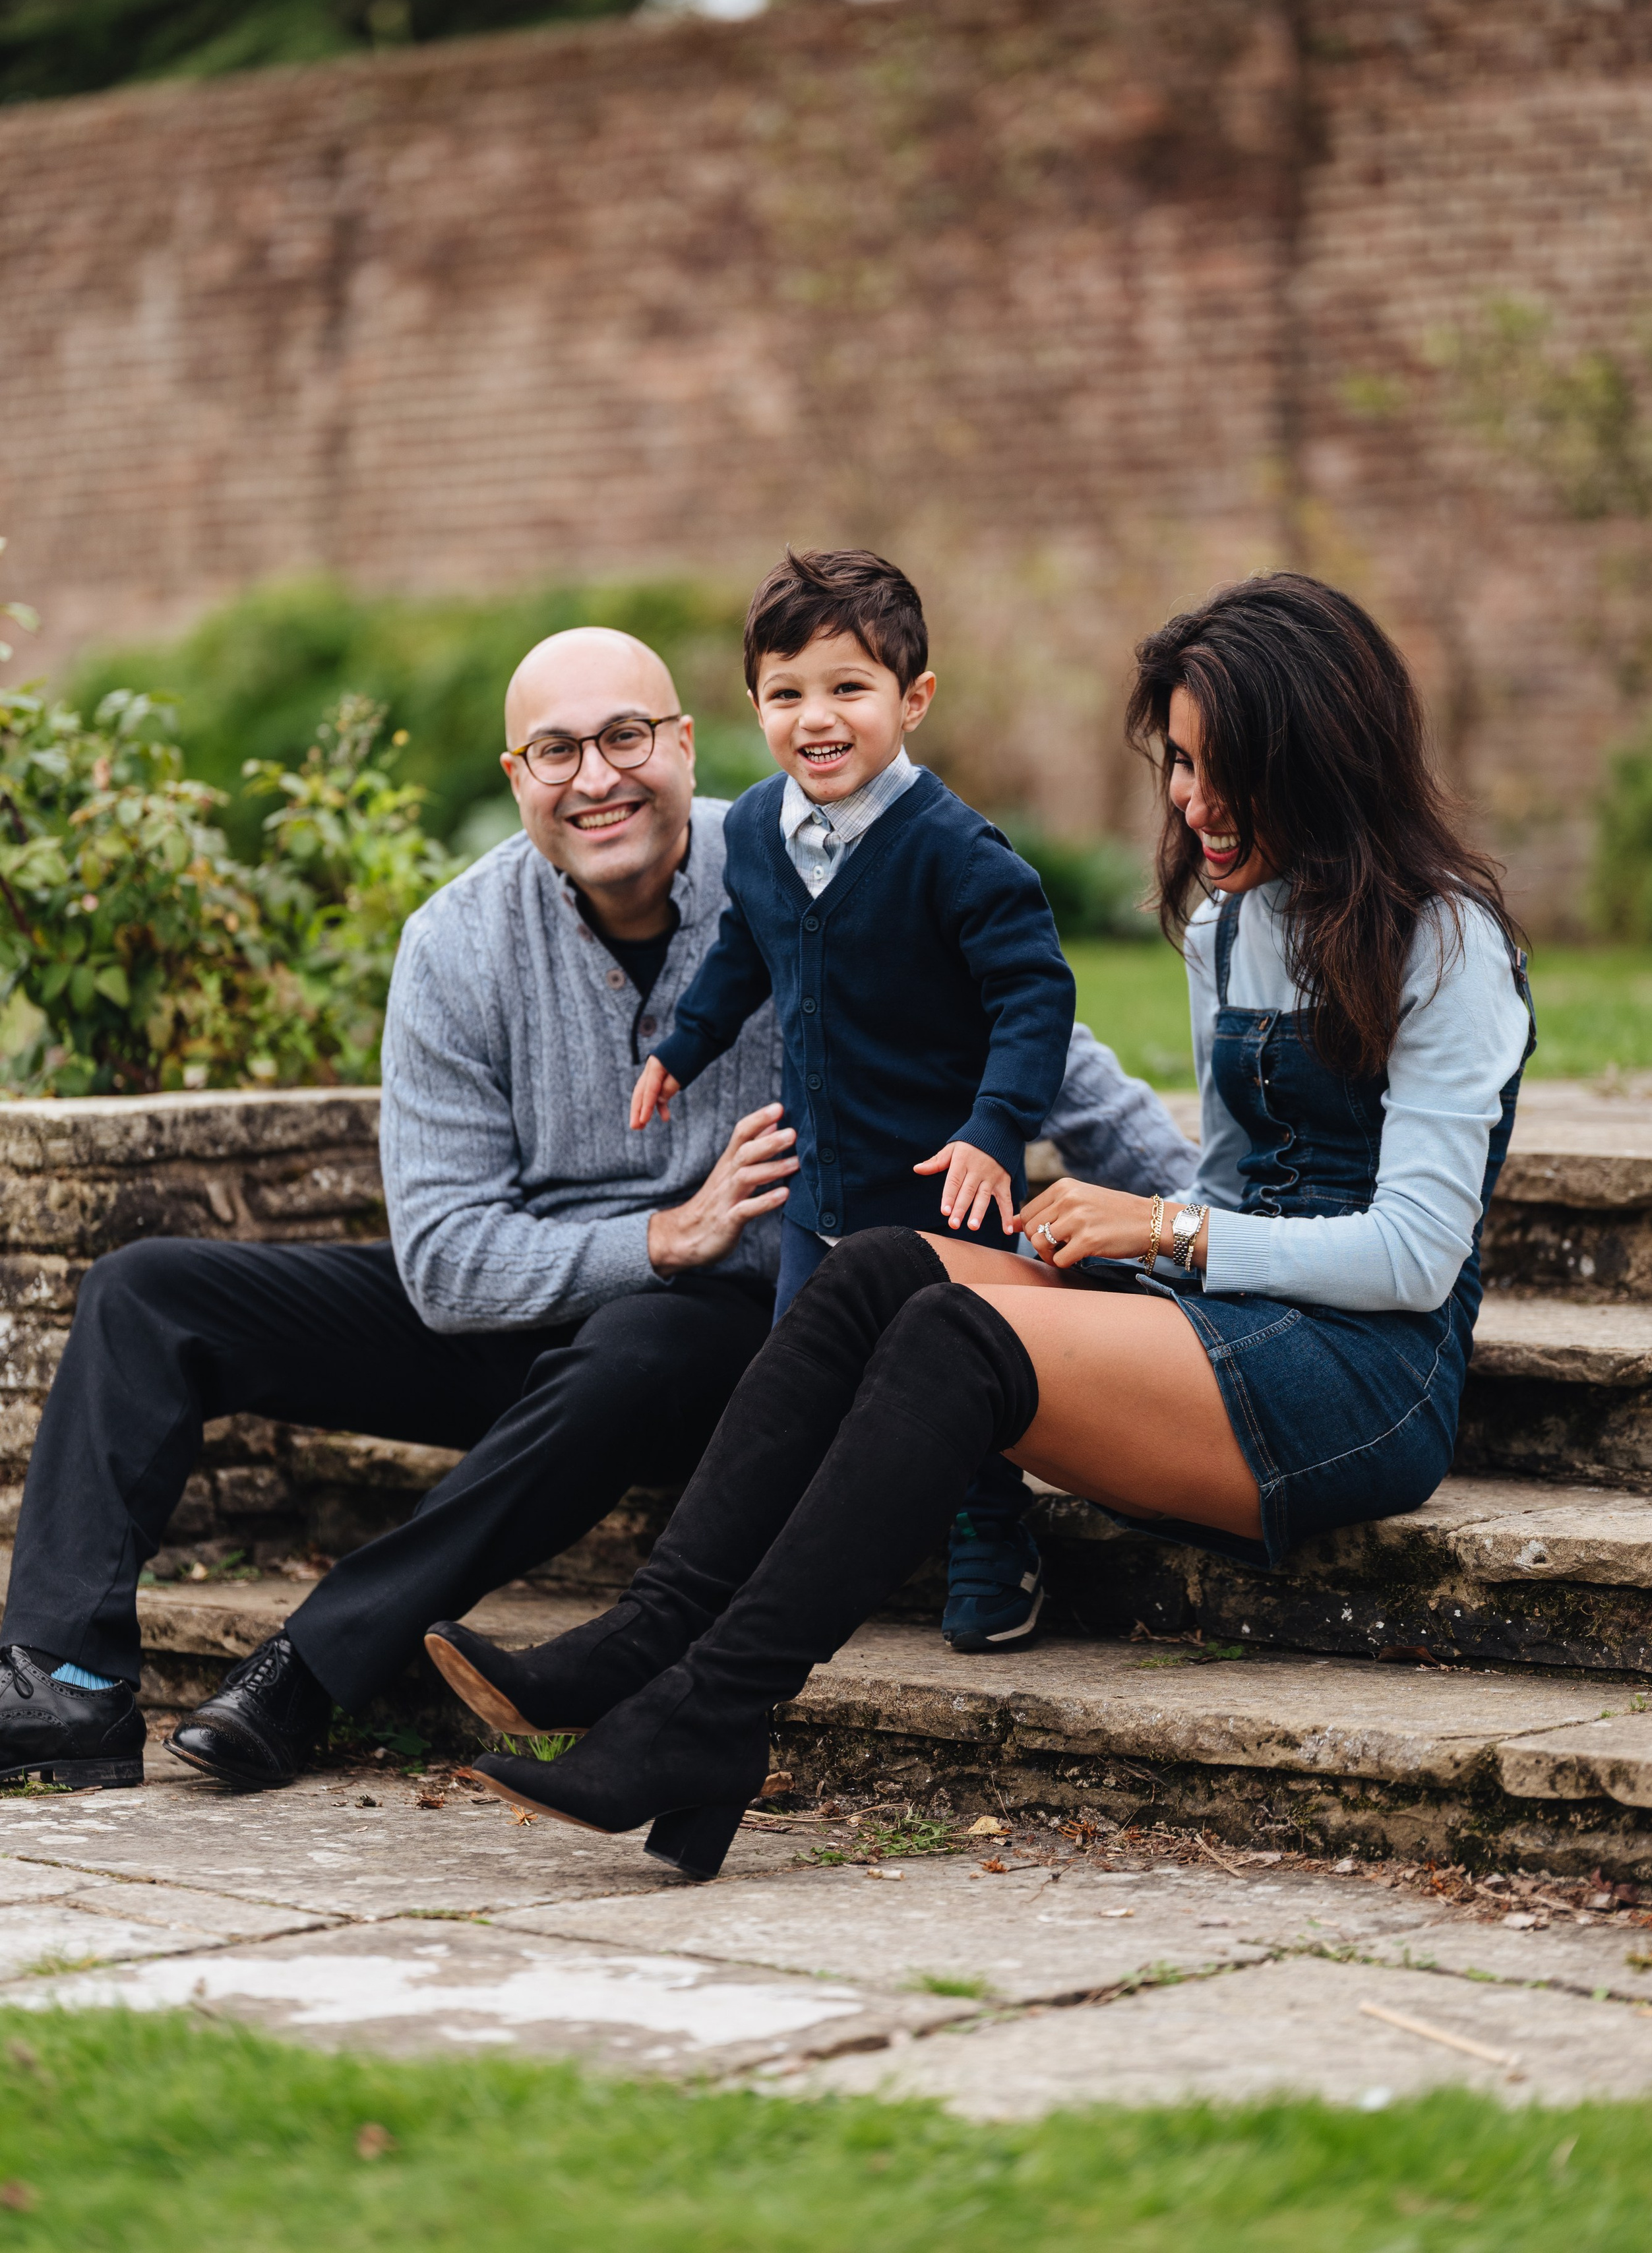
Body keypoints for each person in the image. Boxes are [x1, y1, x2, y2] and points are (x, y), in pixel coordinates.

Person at [446, 572, 1535, 1884]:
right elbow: (1240, 1175)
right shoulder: (1226, 919)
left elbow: (1415, 1256)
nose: (1188, 803)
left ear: (1316, 756)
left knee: (958, 1333)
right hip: (1230, 1314)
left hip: (1362, 1378)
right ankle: (640, 1645)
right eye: (1176, 765)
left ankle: (709, 1715)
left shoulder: (1447, 945)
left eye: (1220, 769)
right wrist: (1150, 1237)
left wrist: (1170, 1232)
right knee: (874, 1270)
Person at [0, 623, 1193, 1795]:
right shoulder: (457, 943)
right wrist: (659, 1237)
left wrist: (1212, 1232)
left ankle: (306, 1671)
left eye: (626, 737)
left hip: (735, 1341)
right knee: (147, 1291)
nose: (598, 778)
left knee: (642, 1340)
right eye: (557, 752)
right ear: (518, 777)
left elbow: (1049, 1056)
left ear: (685, 742)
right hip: (532, 1316)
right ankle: (66, 1684)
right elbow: (447, 1268)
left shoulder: (813, 863)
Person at [632, 548, 1075, 1654]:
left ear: (912, 699)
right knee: (796, 1382)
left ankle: (991, 1530)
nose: (815, 718)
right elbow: (744, 946)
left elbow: (1036, 994)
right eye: (787, 695)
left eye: (848, 689)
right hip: (821, 1189)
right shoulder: (754, 834)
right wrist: (683, 1046)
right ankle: (778, 1557)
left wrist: (995, 1130)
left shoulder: (956, 853)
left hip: (939, 1186)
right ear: (755, 707)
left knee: (949, 1380)